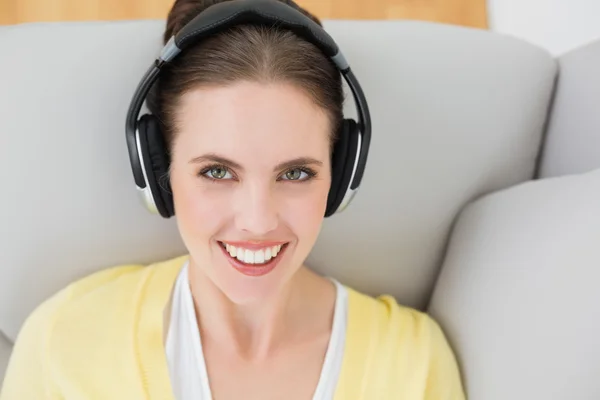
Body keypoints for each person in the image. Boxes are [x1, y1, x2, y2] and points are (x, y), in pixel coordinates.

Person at [0, 0, 466, 399]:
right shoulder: (65, 342)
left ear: (341, 175)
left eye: (296, 173)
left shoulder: (413, 364)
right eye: (217, 172)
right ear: (158, 170)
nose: (258, 221)